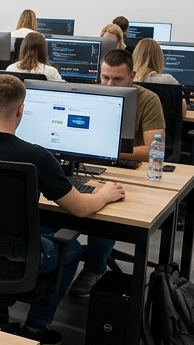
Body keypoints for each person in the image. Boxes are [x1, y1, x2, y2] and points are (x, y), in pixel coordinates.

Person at [0, 74, 124, 344]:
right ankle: (36, 326)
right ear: (21, 110)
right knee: (71, 248)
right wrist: (104, 194)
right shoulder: (36, 157)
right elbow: (80, 209)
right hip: (18, 260)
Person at [71, 51, 166, 298]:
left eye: (117, 80)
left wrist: (112, 152)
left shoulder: (148, 99)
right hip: (85, 164)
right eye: (104, 78)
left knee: (105, 215)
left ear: (132, 77)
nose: (109, 85)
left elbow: (153, 150)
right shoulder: (91, 93)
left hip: (125, 171)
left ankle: (95, 267)